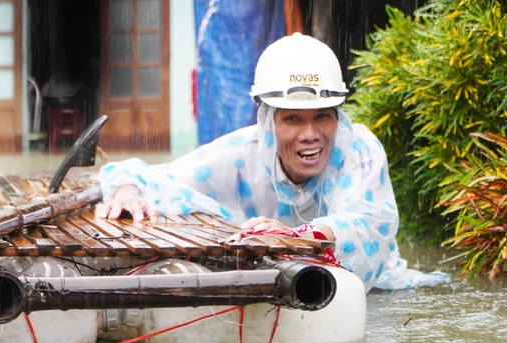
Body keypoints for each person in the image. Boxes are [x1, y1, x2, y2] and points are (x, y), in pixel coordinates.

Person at [95, 33, 449, 292]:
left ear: (338, 116)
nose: (310, 134)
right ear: (268, 121)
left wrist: (296, 237)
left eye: (322, 117)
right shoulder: (239, 155)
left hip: (372, 294)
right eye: (292, 119)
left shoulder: (360, 149)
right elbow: (146, 175)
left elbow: (368, 224)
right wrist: (126, 193)